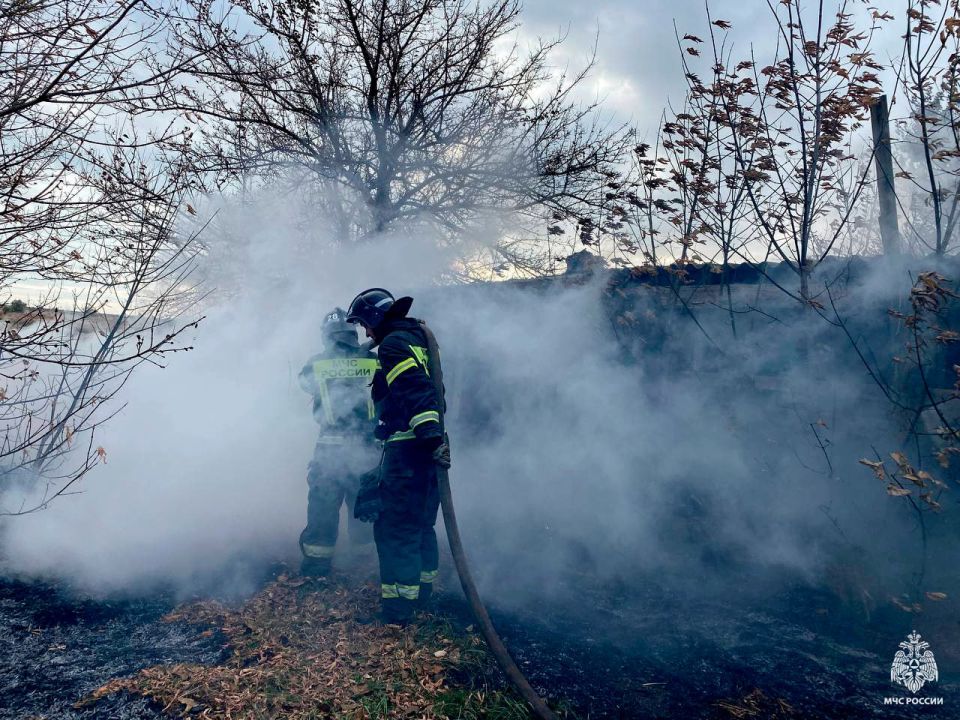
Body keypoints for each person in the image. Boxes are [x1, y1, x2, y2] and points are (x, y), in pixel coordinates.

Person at [346, 288, 448, 624]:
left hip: (408, 452)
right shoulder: (417, 339)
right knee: (421, 525)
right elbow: (431, 389)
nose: (366, 333)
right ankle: (422, 594)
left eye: (365, 324)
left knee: (395, 529)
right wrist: (433, 441)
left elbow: (415, 390)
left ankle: (398, 611)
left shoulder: (392, 345)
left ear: (375, 318)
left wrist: (430, 437)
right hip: (425, 451)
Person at [297, 307, 380, 577]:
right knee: (362, 504)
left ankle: (316, 566)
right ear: (353, 333)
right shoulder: (373, 360)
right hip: (368, 448)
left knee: (323, 505)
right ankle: (364, 560)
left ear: (327, 335)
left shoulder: (316, 363)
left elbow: (304, 384)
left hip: (329, 450)